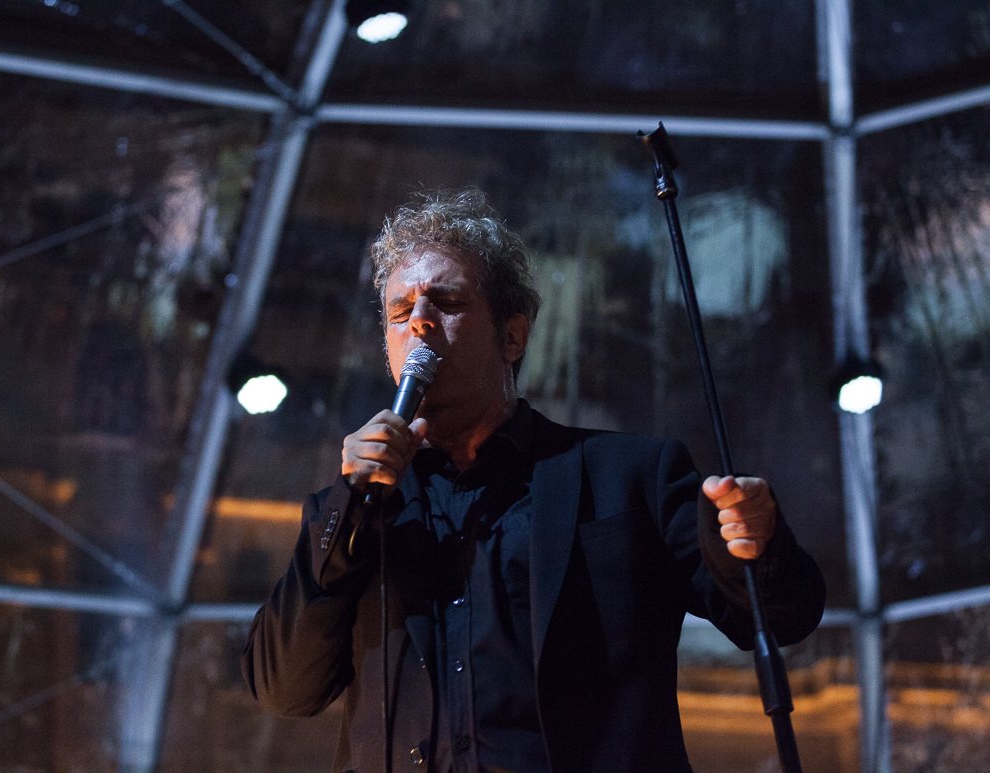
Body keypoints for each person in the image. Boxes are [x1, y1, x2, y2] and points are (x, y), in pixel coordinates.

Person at [241, 188, 825, 772]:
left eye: (446, 302)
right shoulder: (352, 510)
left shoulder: (631, 477)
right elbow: (285, 689)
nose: (419, 322)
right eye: (400, 312)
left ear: (512, 337)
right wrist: (349, 505)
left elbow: (779, 617)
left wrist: (756, 543)